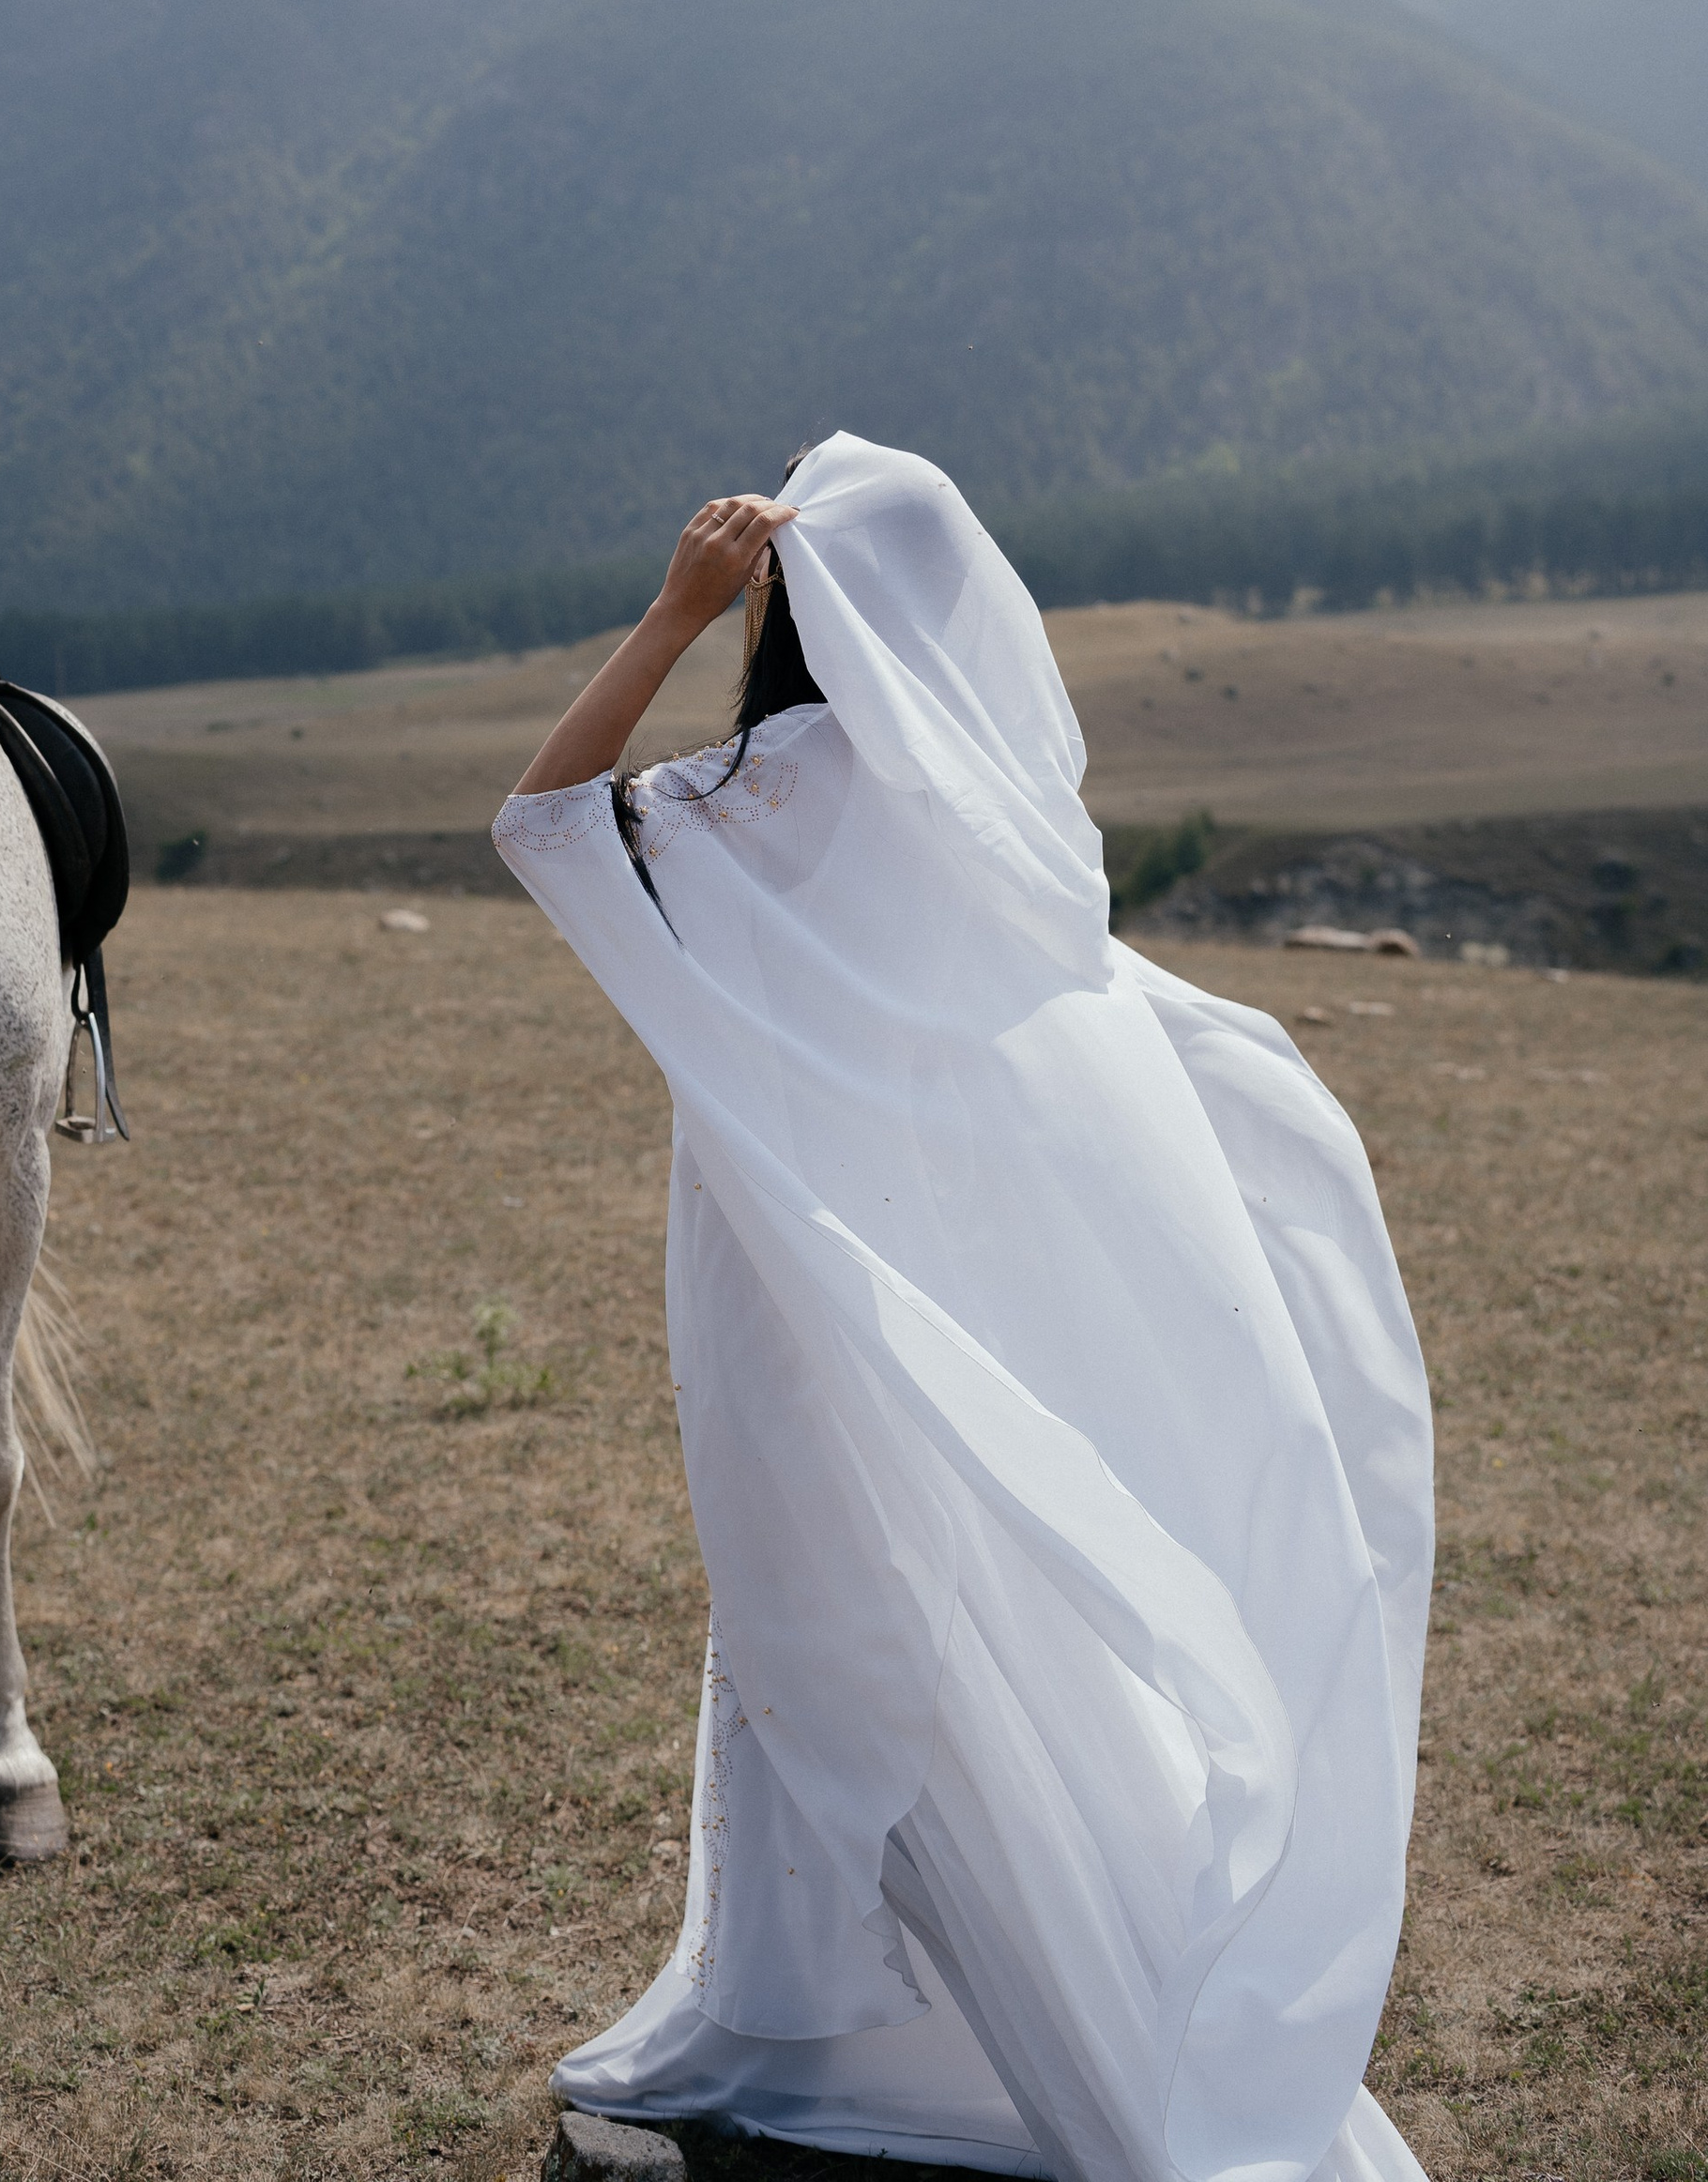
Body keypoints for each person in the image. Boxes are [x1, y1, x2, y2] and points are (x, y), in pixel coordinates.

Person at [492, 435, 1431, 2182]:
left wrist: (672, 612)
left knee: (833, 1630)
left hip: (795, 1294)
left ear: (793, 606)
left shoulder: (750, 801)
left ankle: (1006, 2040)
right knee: (941, 1639)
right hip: (929, 1297)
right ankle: (792, 1999)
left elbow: (541, 819)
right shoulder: (998, 814)